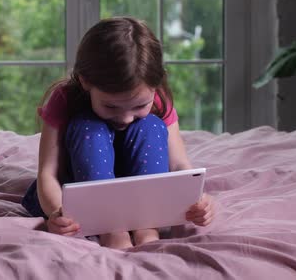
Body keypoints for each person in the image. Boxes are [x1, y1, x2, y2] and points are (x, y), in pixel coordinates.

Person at [21, 16, 215, 249]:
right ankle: (112, 230)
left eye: (139, 106)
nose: (125, 118)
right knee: (87, 127)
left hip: (141, 194)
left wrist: (196, 199)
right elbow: (48, 173)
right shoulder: (65, 98)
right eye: (111, 106)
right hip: (81, 194)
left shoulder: (158, 99)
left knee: (151, 126)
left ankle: (146, 228)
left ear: (156, 85)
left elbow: (180, 166)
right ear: (85, 81)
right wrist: (56, 212)